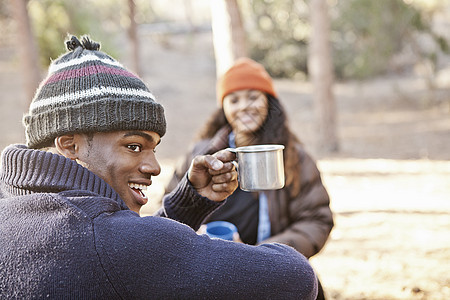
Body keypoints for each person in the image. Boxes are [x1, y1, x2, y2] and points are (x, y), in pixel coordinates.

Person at [0, 35, 318, 299]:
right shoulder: (103, 238)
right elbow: (294, 276)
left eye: (154, 148)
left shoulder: (13, 211)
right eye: (134, 146)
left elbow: (129, 260)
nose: (153, 167)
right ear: (70, 145)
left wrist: (189, 203)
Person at [166, 57, 333, 299]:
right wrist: (197, 233)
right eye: (234, 100)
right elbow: (171, 211)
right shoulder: (201, 155)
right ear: (223, 108)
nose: (244, 106)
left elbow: (317, 220)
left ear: (269, 102)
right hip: (213, 269)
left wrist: (262, 255)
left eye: (253, 97)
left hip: (275, 268)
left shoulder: (295, 158)